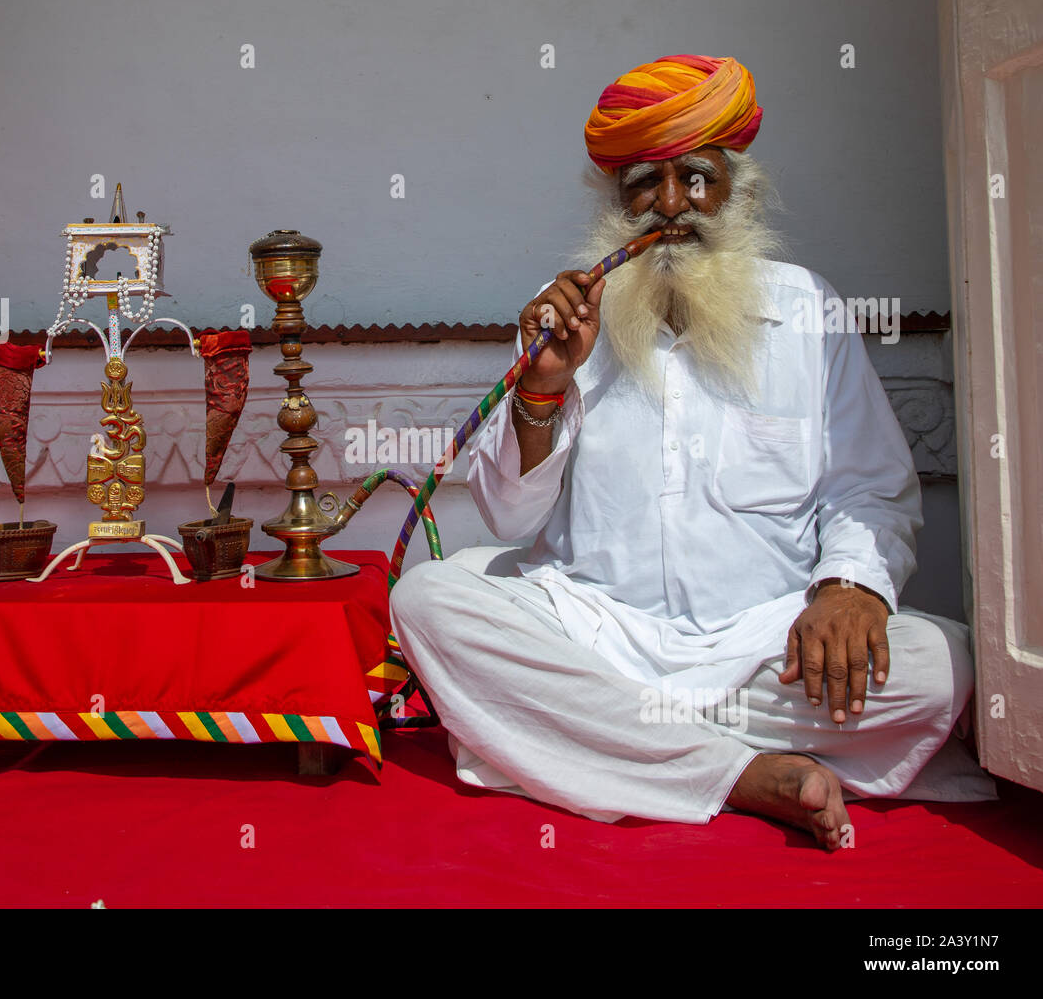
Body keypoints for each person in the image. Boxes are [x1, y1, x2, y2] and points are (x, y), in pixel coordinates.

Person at [389, 54, 994, 849]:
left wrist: (849, 589)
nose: (671, 205)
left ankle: (603, 740)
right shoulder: (565, 324)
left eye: (697, 178)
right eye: (645, 182)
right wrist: (541, 389)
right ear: (617, 201)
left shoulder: (805, 307)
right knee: (429, 600)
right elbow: (508, 515)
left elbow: (868, 490)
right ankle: (741, 774)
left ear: (736, 190)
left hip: (762, 649)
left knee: (944, 664)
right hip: (596, 630)